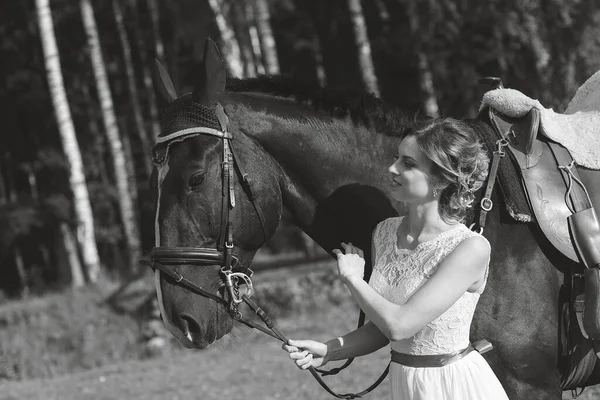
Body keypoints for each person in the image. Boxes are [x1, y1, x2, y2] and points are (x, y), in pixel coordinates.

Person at [282, 118, 509, 399]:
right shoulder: (385, 232)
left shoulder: (469, 248)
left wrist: (353, 279)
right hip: (406, 386)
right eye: (396, 158)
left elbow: (400, 326)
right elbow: (382, 329)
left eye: (408, 163)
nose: (392, 168)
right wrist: (331, 350)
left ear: (441, 179)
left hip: (452, 386)